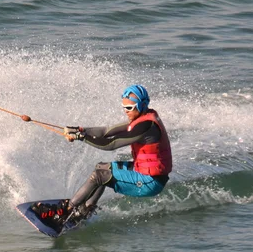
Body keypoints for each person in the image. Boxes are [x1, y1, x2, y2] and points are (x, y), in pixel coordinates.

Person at [32, 84, 172, 228]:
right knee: (102, 168)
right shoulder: (141, 119)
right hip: (143, 172)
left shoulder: (146, 127)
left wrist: (82, 137)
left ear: (142, 105)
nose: (125, 111)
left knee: (100, 175)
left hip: (151, 182)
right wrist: (80, 129)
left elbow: (110, 144)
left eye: (129, 108)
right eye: (123, 107)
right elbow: (107, 131)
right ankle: (84, 210)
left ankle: (65, 209)